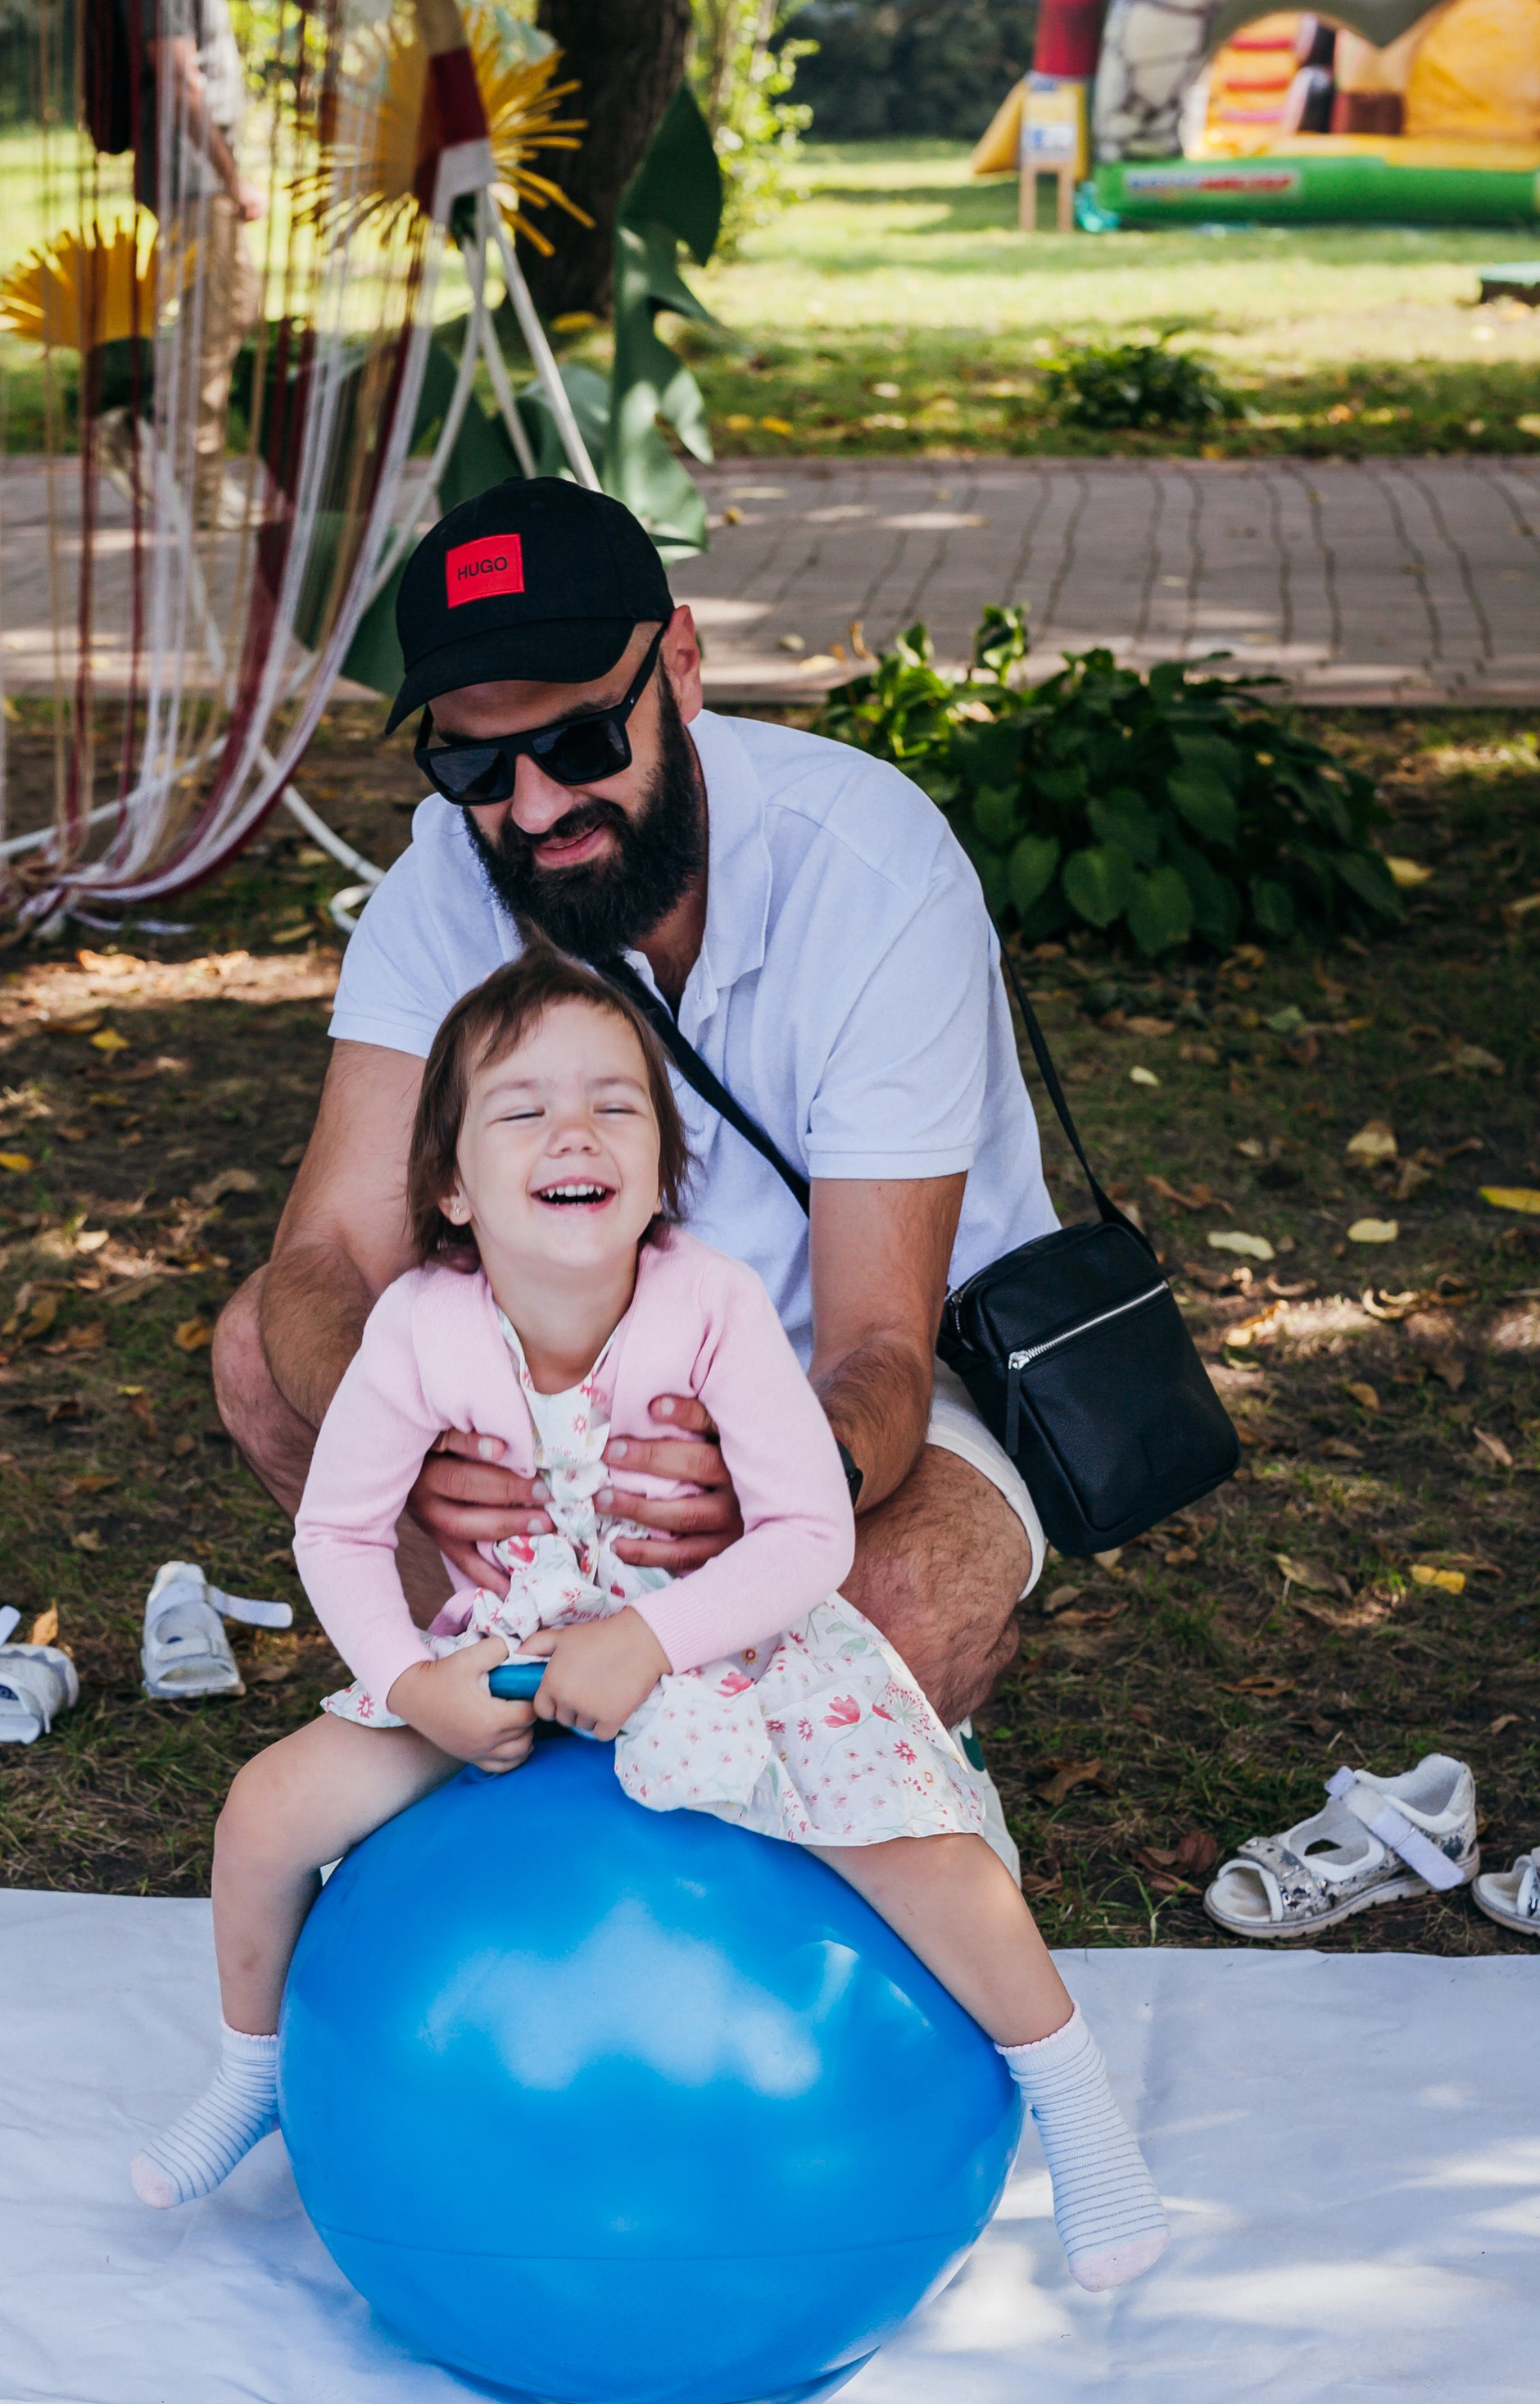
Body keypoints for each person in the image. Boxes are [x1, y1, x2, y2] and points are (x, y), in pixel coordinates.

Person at [135, 960, 1166, 2295]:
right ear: (449, 1186)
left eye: (616, 1106)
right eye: (524, 1112)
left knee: (916, 1847)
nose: (575, 1132)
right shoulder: (417, 1330)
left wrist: (657, 1642)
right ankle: (254, 2071)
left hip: (730, 1648)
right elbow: (334, 1535)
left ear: (663, 1172)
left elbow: (807, 1538)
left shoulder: (712, 1305)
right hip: (506, 1645)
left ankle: (1077, 2105)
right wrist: (413, 1679)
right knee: (264, 1812)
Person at [214, 474, 1058, 1848]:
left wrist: (762, 1484)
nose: (536, 808)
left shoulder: (871, 868)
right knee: (265, 1351)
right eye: (478, 767)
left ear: (680, 667)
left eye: (583, 738)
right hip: (551, 1383)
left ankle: (786, 1745)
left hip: (856, 1404)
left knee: (902, 1604)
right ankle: (524, 1712)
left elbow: (881, 1356)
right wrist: (412, 1431)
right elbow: (320, 1262)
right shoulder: (446, 878)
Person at [98, 0, 261, 531]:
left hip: (196, 177)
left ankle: (140, 427)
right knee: (213, 323)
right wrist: (231, 174)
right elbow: (178, 78)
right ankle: (196, 483)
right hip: (193, 180)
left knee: (225, 312)